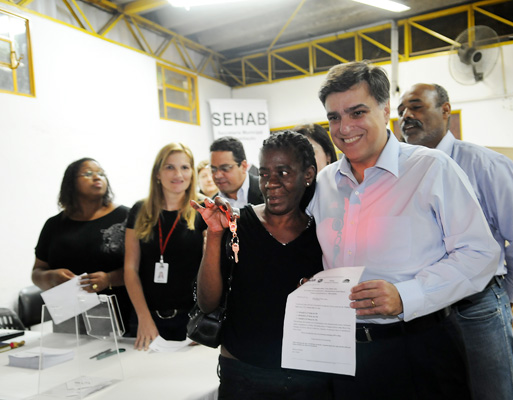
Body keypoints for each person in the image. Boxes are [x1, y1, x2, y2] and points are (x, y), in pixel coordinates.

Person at [308, 61, 500, 399]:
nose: (344, 128)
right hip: (345, 353)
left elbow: (480, 253)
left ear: (385, 111)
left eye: (357, 112)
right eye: (334, 117)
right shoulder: (324, 183)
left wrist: (406, 295)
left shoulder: (431, 168)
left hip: (420, 348)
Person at [398, 82, 513, 400]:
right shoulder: (400, 173)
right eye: (400, 111)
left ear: (446, 110)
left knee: (492, 393)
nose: (406, 116)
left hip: (476, 306)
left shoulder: (485, 164)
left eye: (416, 106)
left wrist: (505, 293)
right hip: (422, 311)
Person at [192, 131, 332, 399]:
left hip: (309, 377)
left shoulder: (322, 233)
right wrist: (215, 236)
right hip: (243, 375)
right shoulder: (237, 225)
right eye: (265, 173)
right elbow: (207, 303)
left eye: (283, 172)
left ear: (308, 175)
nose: (271, 183)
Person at [32, 158, 131, 332]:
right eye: (88, 173)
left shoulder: (126, 218)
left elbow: (142, 268)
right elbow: (37, 272)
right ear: (71, 183)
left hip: (120, 318)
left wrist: (109, 279)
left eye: (101, 174)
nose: (97, 177)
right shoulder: (54, 225)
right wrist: (50, 277)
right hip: (68, 320)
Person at [124, 143, 204, 349]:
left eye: (185, 167)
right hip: (146, 319)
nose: (178, 174)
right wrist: (143, 317)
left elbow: (215, 271)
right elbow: (130, 269)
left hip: (193, 319)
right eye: (170, 167)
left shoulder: (203, 209)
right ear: (158, 174)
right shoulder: (139, 210)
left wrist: (205, 317)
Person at [209, 136, 264, 207]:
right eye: (213, 169)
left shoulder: (266, 191)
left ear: (243, 166)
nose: (217, 175)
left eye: (225, 168)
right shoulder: (210, 206)